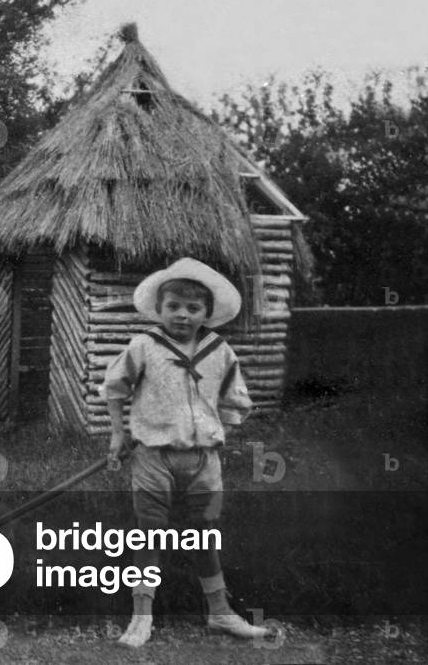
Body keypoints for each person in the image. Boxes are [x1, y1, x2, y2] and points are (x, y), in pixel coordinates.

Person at [104, 258, 274, 647]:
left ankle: (220, 613)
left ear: (207, 314)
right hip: (153, 458)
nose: (183, 315)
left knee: (204, 535)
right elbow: (115, 389)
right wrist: (119, 434)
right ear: (160, 309)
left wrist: (213, 434)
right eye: (174, 307)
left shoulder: (220, 351)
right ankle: (141, 617)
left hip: (203, 462)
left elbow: (234, 404)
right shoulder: (144, 345)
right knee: (149, 535)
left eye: (193, 308)